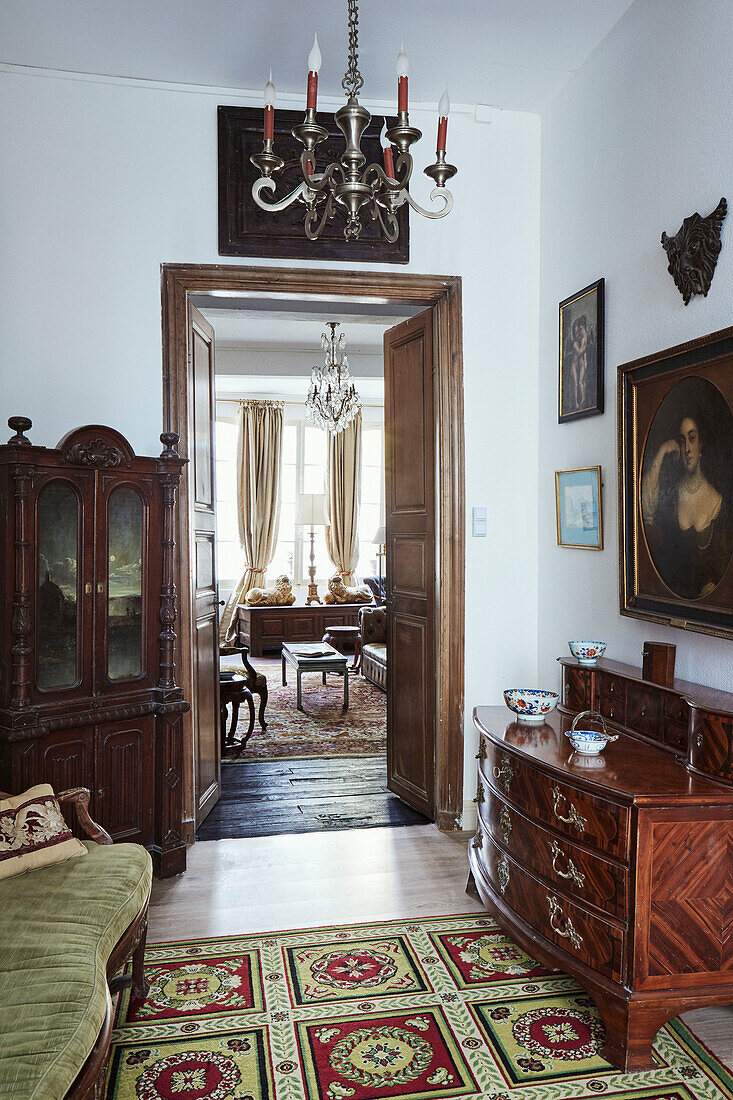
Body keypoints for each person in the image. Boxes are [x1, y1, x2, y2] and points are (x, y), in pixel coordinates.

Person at [641, 413, 732, 599]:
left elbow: (721, 568)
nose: (688, 449)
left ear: (701, 444)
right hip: (669, 599)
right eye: (682, 442)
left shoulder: (717, 500)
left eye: (692, 439)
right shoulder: (671, 493)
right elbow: (646, 512)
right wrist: (662, 450)